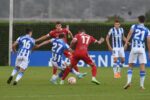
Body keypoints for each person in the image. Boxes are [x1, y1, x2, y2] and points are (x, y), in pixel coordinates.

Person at [124, 15, 150, 90]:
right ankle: (141, 85)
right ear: (144, 21)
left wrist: (126, 43)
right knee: (142, 65)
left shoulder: (134, 26)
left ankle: (129, 81)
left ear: (138, 20)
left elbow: (130, 33)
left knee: (130, 65)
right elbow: (148, 42)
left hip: (134, 48)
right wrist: (149, 52)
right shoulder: (147, 30)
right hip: (142, 49)